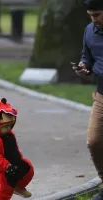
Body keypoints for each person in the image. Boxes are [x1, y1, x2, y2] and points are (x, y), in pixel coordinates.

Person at [72, 0, 103, 199]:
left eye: (97, 15)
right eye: (90, 15)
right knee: (94, 141)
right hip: (102, 95)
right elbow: (87, 57)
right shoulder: (90, 31)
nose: (94, 19)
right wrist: (84, 66)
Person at [0, 98, 34, 200]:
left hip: (13, 165)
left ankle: (17, 187)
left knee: (28, 168)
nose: (8, 129)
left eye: (10, 126)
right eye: (5, 127)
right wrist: (7, 166)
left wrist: (18, 159)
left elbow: (14, 149)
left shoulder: (9, 134)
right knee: (3, 190)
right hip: (2, 170)